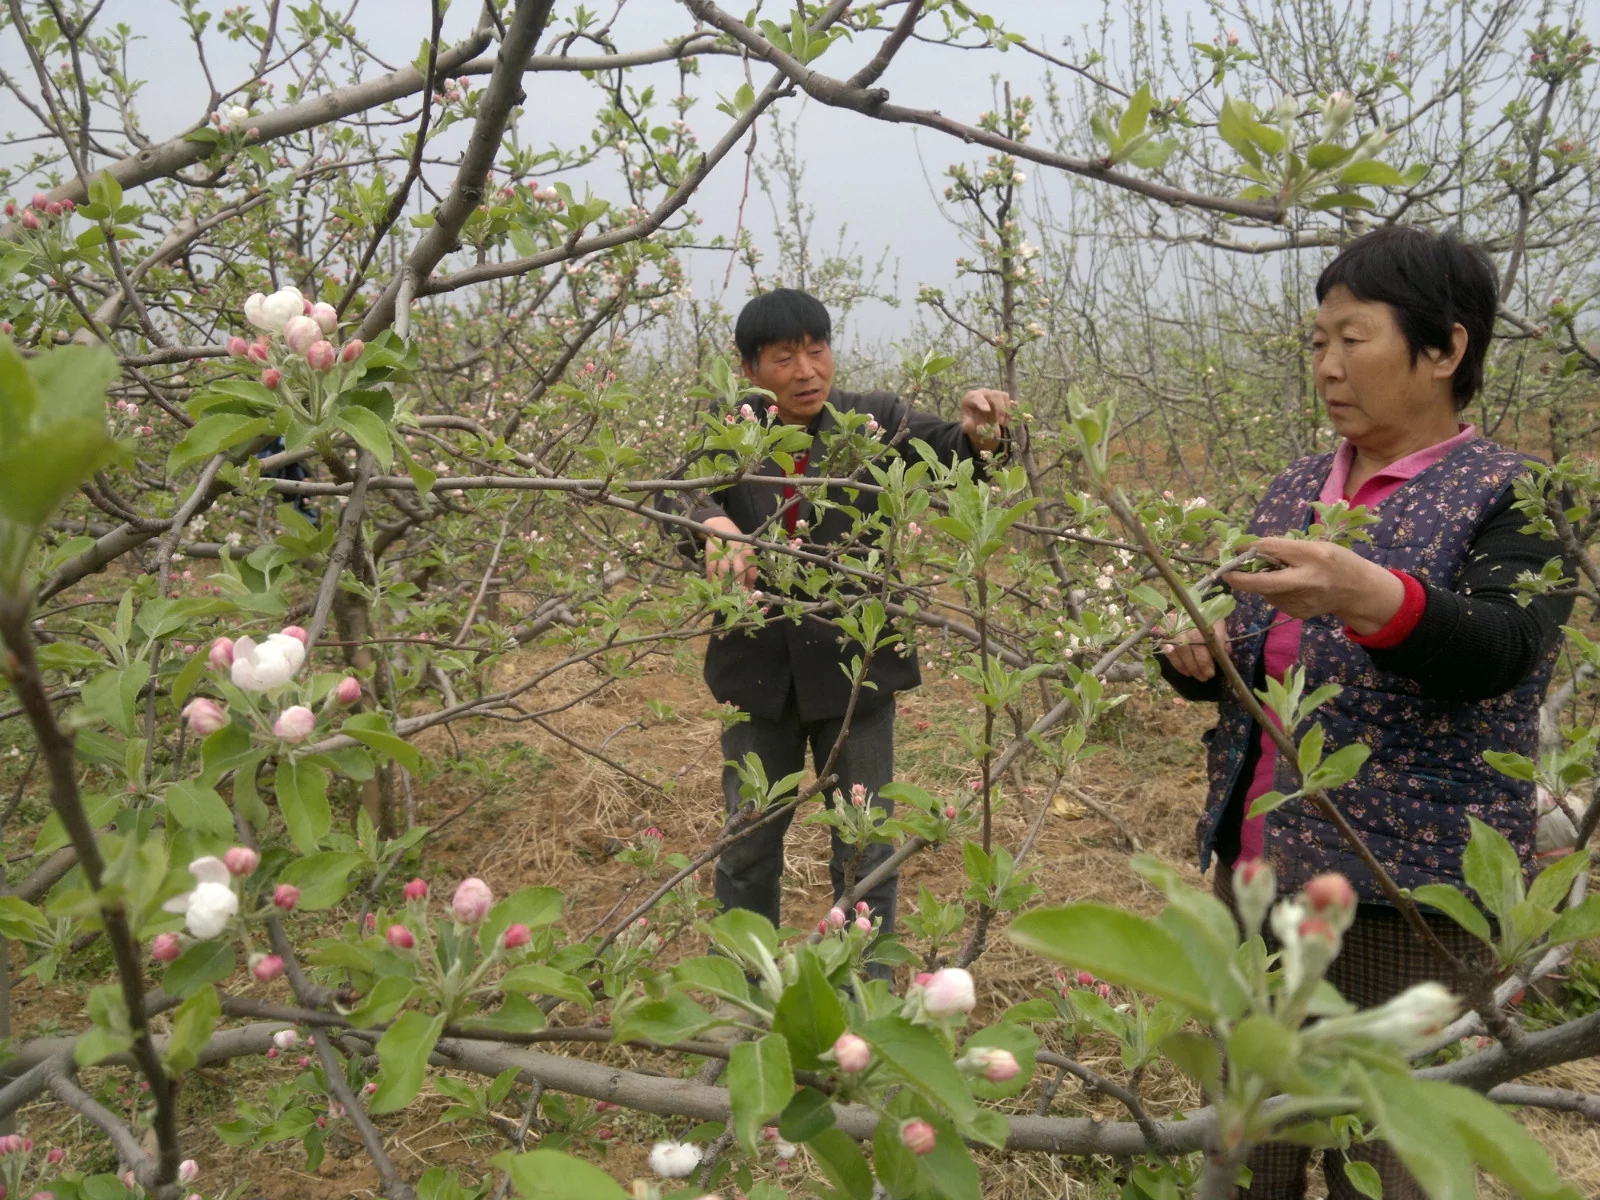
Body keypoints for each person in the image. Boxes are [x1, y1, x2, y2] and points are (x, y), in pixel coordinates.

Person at [1161, 225, 1573, 1199]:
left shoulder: (1512, 495)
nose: (1328, 365)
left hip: (1402, 893)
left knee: (1377, 1161)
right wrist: (1202, 659)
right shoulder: (1300, 487)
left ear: (1443, 350)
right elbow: (1259, 658)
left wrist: (1367, 592)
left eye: (1354, 338)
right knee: (1248, 1147)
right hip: (1255, 875)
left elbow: (1502, 653)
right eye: (1317, 342)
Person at [687, 287, 1012, 959]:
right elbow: (678, 494)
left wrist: (985, 432)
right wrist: (711, 524)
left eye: (817, 350)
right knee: (747, 847)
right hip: (759, 680)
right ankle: (742, 1001)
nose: (807, 371)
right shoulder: (732, 433)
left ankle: (866, 1009)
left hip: (857, 676)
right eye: (784, 357)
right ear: (749, 369)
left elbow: (957, 452)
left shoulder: (876, 421)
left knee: (866, 854)